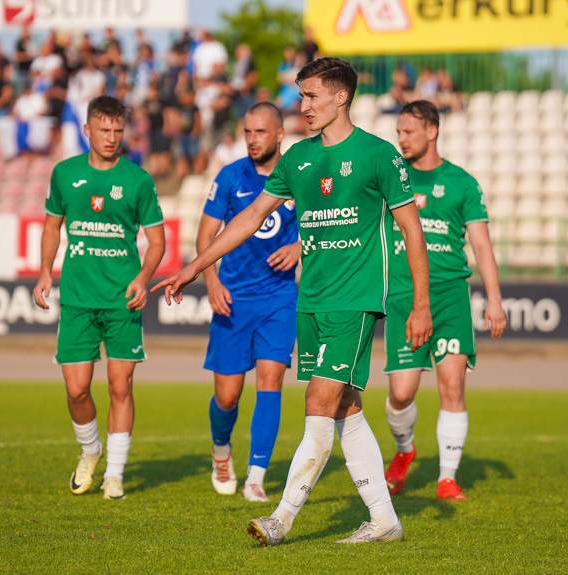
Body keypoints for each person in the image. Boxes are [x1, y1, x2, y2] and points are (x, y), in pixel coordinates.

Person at [152, 57, 432, 545]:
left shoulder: (377, 155)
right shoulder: (297, 159)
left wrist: (421, 304)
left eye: (311, 96)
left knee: (318, 402)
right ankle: (385, 521)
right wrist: (196, 266)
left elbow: (412, 229)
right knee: (345, 409)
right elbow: (247, 219)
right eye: (300, 96)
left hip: (355, 301)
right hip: (311, 301)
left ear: (340, 97)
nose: (302, 106)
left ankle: (281, 518)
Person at [33, 95, 166, 500]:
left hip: (122, 300)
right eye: (104, 130)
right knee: (76, 389)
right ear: (87, 130)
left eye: (117, 130)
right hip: (76, 298)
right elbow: (52, 227)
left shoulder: (138, 180)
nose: (111, 138)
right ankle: (91, 451)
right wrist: (44, 272)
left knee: (120, 386)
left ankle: (116, 475)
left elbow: (157, 241)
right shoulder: (64, 174)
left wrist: (144, 278)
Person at [383, 100, 507, 501]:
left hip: (451, 296)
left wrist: (494, 299)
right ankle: (405, 451)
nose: (400, 138)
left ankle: (447, 478)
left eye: (408, 132)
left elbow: (482, 246)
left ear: (431, 131)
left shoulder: (462, 183)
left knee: (451, 386)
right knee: (401, 393)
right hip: (404, 296)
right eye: (398, 131)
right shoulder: (390, 178)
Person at [198, 102, 300, 502]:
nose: (253, 140)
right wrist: (210, 280)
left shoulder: (297, 176)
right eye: (247, 132)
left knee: (271, 380)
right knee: (227, 396)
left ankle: (256, 476)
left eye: (261, 132)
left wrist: (300, 248)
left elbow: (324, 222)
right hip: (233, 298)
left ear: (279, 135)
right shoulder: (229, 177)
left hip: (279, 296)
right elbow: (205, 235)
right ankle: (221, 451)